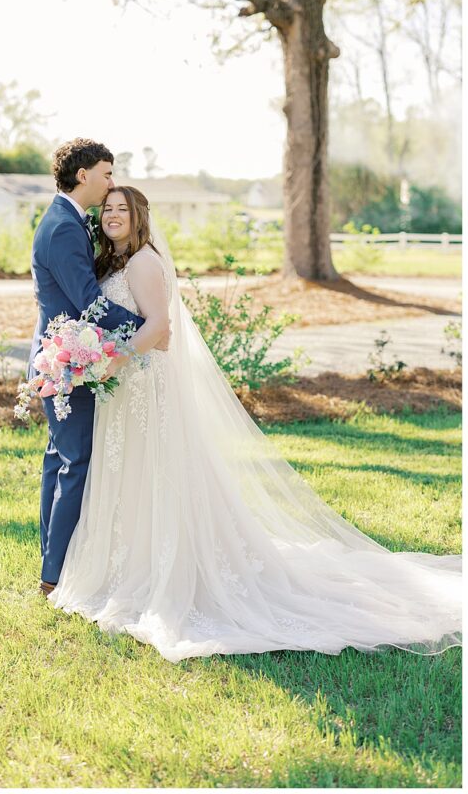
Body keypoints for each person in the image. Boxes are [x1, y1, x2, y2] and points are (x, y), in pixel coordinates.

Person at [48, 185, 462, 662]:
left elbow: (160, 328)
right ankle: (126, 565)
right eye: (108, 209)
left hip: (144, 386)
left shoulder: (142, 262)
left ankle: (165, 569)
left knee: (154, 475)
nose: (113, 215)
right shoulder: (114, 264)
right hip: (125, 390)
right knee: (131, 477)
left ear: (139, 216)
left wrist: (113, 361)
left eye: (123, 209)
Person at [29, 140, 168, 597]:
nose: (111, 183)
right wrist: (147, 329)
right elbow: (89, 302)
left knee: (62, 459)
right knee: (75, 463)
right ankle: (55, 574)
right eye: (107, 174)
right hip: (69, 360)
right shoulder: (64, 227)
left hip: (70, 357)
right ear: (83, 175)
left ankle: (55, 563)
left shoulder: (70, 220)